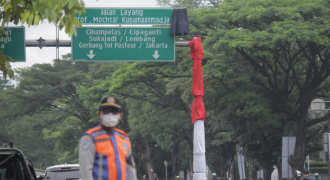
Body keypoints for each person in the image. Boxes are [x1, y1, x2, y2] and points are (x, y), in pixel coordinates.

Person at [79, 96, 137, 180]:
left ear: (120, 116)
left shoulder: (124, 138)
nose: (110, 114)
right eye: (106, 111)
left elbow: (130, 168)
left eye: (114, 111)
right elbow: (85, 171)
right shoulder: (90, 138)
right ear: (99, 114)